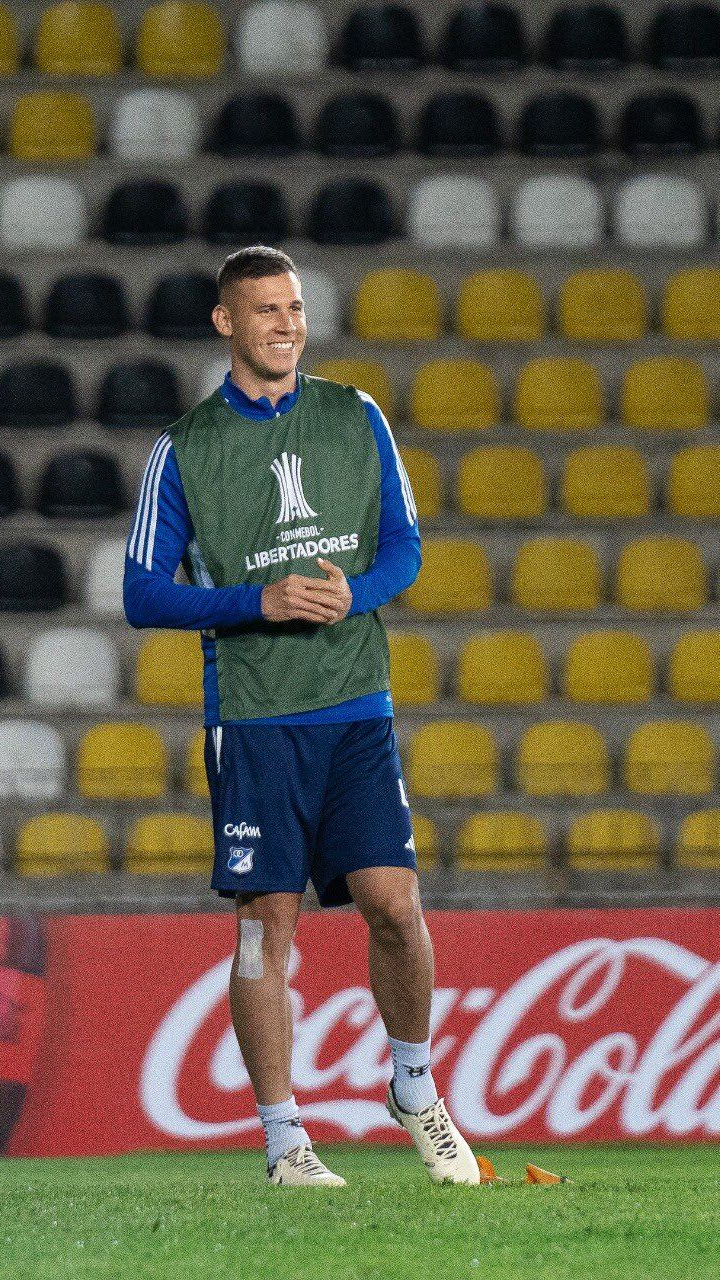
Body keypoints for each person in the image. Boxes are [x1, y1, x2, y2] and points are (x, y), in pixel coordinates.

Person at [123, 245, 479, 1188]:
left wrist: (354, 593)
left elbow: (405, 546)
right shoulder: (184, 448)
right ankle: (286, 1141)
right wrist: (257, 603)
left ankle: (413, 1086)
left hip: (355, 706)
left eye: (294, 308)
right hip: (252, 719)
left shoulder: (354, 415)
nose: (285, 324)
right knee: (263, 925)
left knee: (394, 906)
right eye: (265, 310)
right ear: (225, 323)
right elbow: (141, 593)